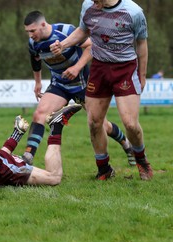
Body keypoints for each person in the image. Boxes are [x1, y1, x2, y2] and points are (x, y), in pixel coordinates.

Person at [50, 0, 153, 180]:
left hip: (125, 69)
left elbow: (142, 43)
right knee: (94, 122)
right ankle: (104, 169)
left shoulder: (134, 12)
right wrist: (64, 44)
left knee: (130, 123)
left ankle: (141, 160)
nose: (92, 1)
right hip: (99, 68)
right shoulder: (88, 6)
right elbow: (83, 30)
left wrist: (142, 75)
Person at [21, 10, 135, 169]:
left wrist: (76, 67)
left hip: (83, 85)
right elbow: (35, 61)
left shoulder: (66, 31)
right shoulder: (33, 43)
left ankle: (126, 144)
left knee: (101, 125)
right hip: (59, 85)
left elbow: (91, 46)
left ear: (43, 24)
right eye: (27, 32)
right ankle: (27, 157)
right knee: (40, 113)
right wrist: (38, 83)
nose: (30, 35)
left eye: (32, 31)